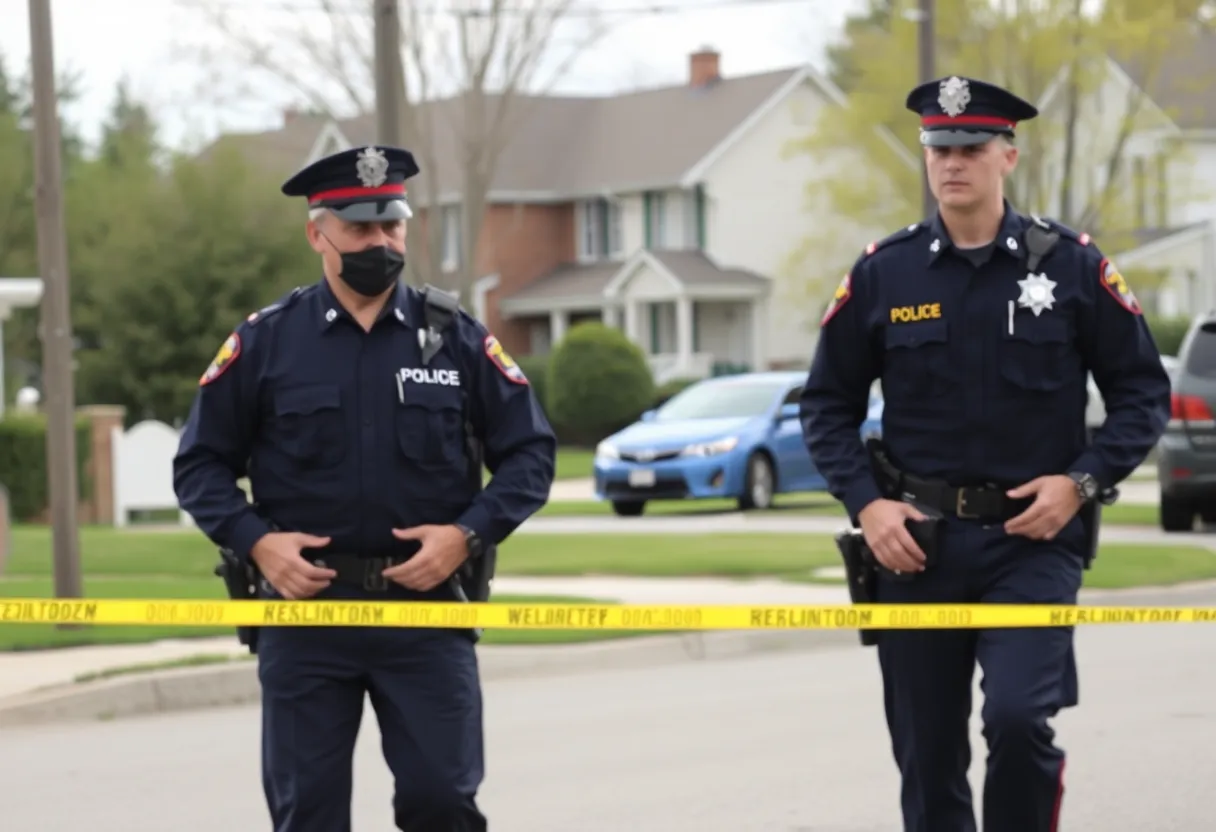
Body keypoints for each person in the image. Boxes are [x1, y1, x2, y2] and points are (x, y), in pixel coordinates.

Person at [798, 76, 1171, 832]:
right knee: (928, 756)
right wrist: (867, 507)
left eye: (970, 147)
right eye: (939, 147)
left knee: (1017, 720)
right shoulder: (884, 273)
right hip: (916, 550)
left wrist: (1082, 483)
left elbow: (1141, 394)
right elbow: (826, 405)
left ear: (1008, 155)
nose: (952, 162)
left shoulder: (1069, 266)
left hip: (1030, 545)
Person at [173, 144, 557, 832]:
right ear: (317, 233)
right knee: (308, 814)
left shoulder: (456, 338)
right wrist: (258, 546)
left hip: (427, 612)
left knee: (443, 801)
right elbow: (198, 464)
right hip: (306, 618)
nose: (380, 242)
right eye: (360, 229)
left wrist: (466, 535)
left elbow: (530, 452)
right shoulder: (267, 343)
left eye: (393, 224)